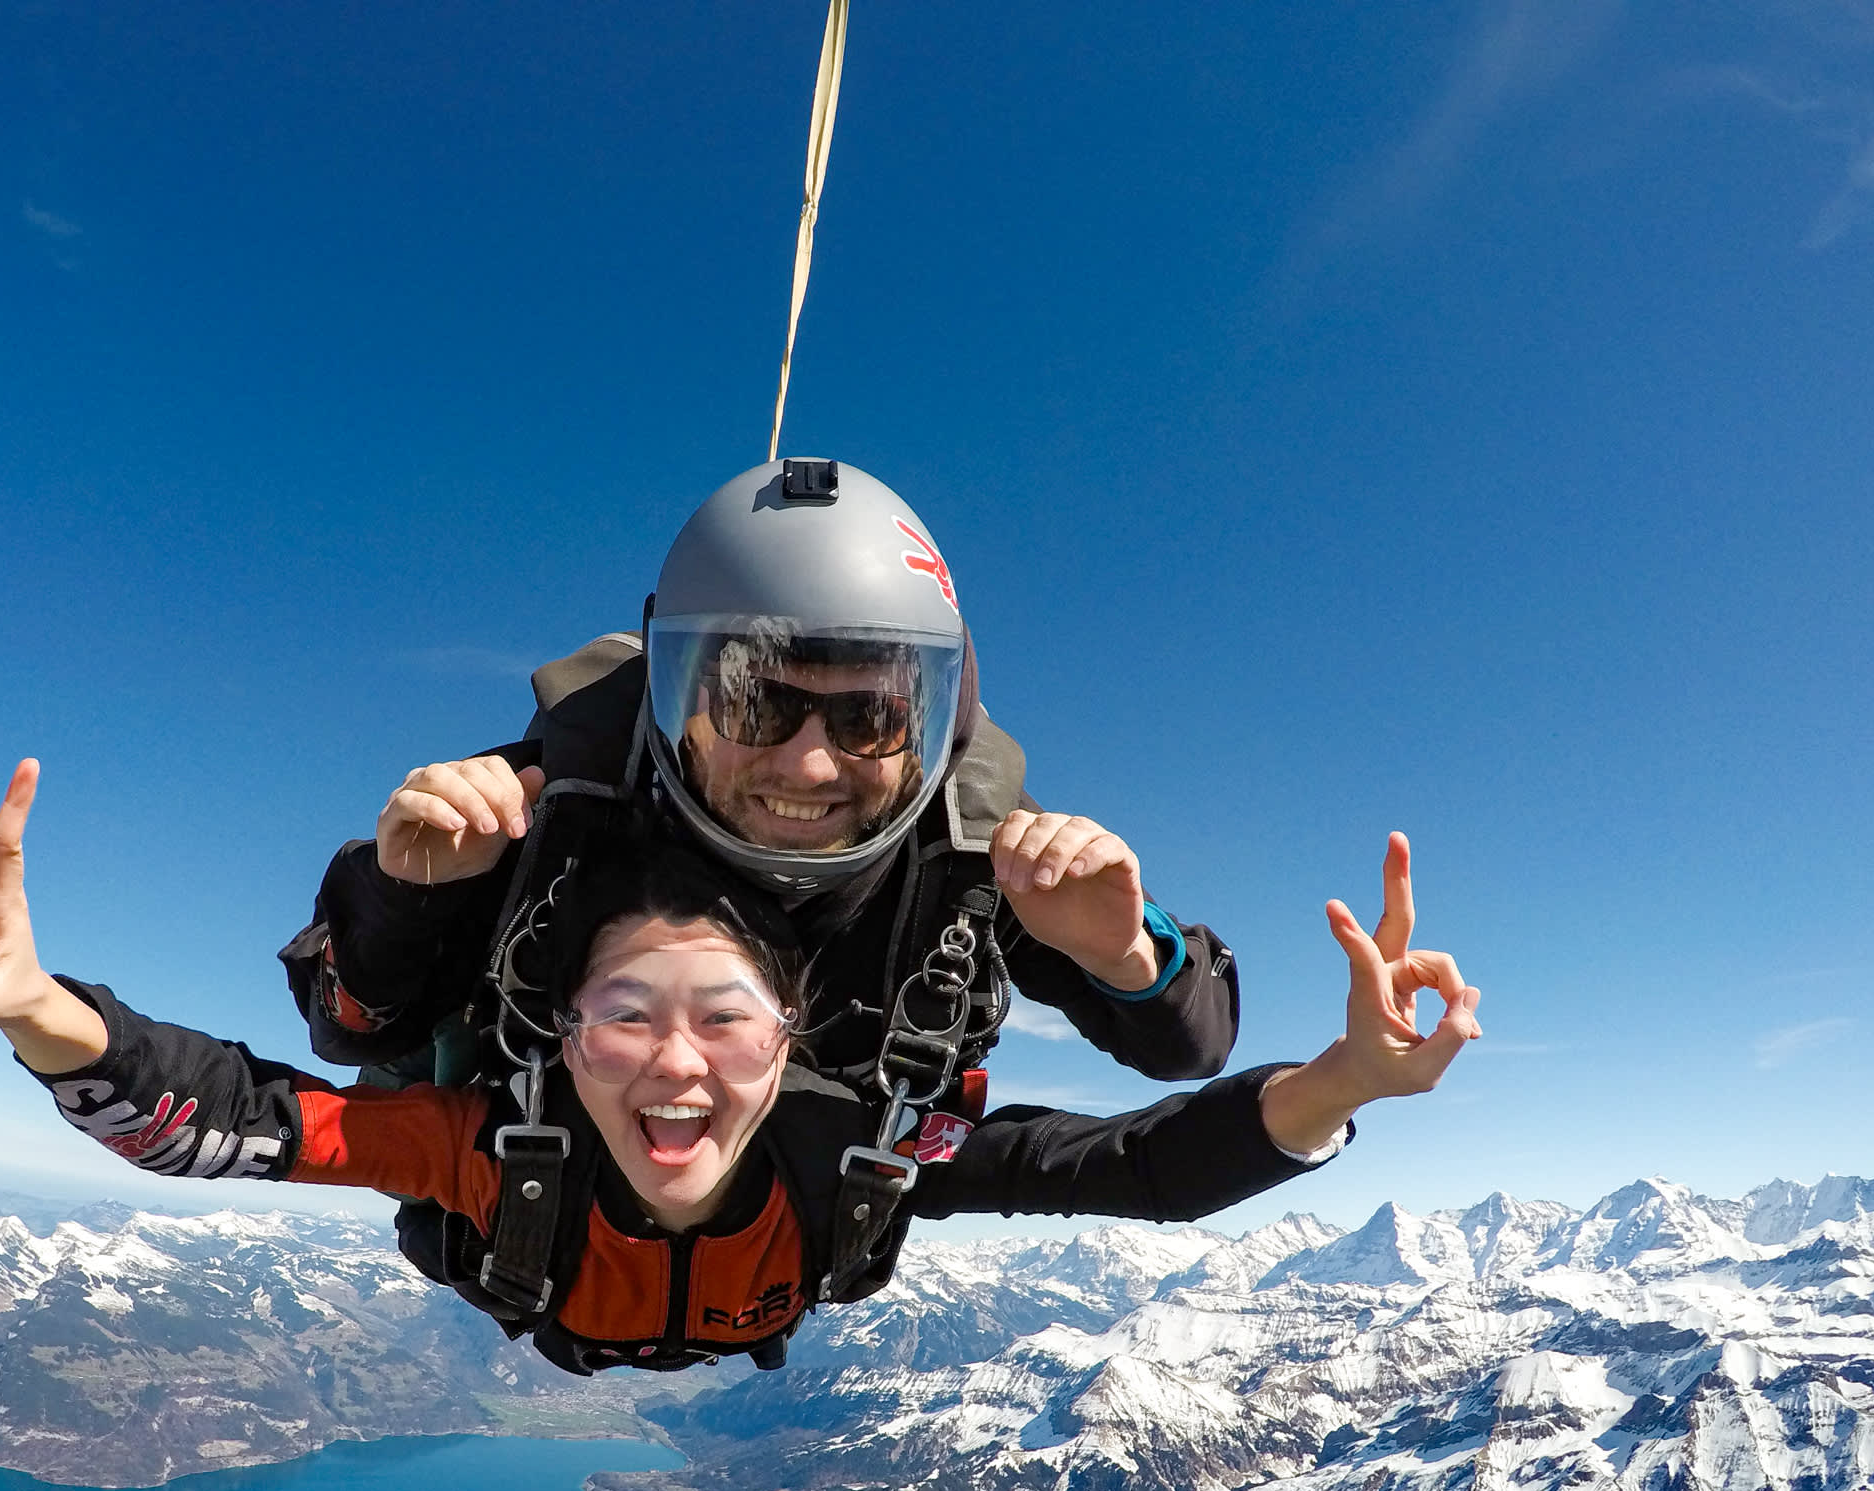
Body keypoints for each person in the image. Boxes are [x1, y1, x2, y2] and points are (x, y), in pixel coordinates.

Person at [0, 724, 1482, 1376]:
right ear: (565, 1042)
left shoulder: (857, 1151)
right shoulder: (496, 1151)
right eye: (627, 1018)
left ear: (792, 1050)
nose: (676, 1069)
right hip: (564, 1292)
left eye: (723, 1023)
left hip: (685, 1281)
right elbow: (242, 1119)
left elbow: (1132, 1169)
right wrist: (38, 1012)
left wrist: (1350, 1084)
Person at [283, 459, 1242, 1118]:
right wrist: (405, 898)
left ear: (933, 730)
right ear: (676, 703)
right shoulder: (547, 805)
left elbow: (1190, 1044)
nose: (810, 765)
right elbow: (350, 1025)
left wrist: (1128, 956)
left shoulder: (983, 851)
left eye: (870, 719)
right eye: (752, 702)